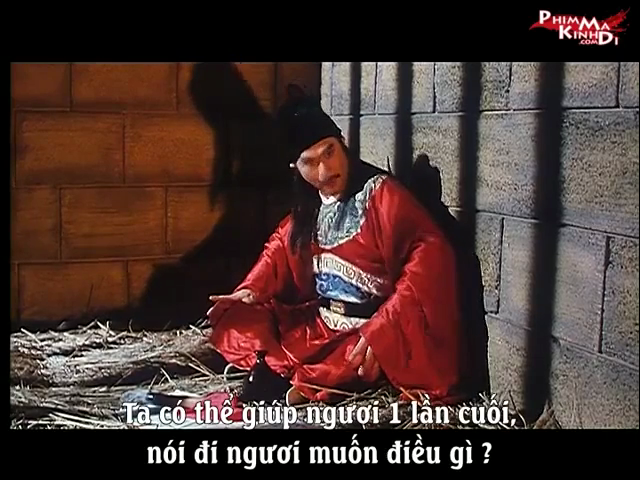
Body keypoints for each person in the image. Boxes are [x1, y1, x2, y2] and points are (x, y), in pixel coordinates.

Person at [204, 84, 490, 407]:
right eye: (311, 162)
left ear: (342, 143)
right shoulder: (309, 209)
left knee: (351, 363)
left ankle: (306, 382)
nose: (325, 170)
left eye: (329, 152)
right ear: (295, 168)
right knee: (235, 322)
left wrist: (383, 329)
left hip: (371, 331)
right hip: (321, 326)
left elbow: (432, 253)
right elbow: (278, 251)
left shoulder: (382, 195)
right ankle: (298, 377)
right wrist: (251, 290)